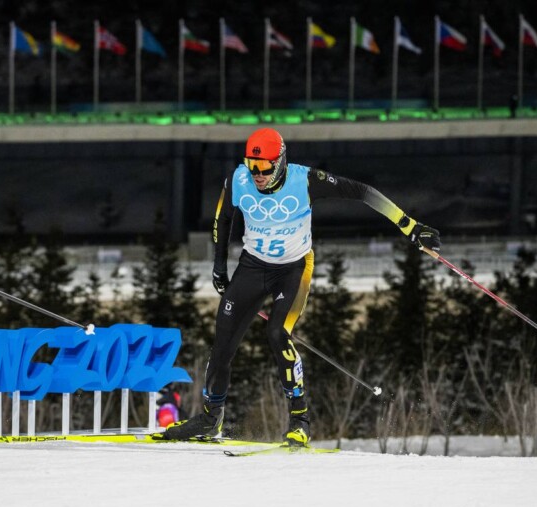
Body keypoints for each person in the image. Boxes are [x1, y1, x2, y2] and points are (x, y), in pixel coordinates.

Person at [162, 127, 441, 446]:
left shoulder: (305, 180)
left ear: (280, 162)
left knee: (278, 333)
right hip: (254, 267)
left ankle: (300, 420)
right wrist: (219, 267)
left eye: (265, 167)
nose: (258, 175)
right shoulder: (238, 180)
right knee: (222, 340)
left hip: (294, 269)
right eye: (253, 167)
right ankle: (211, 418)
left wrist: (410, 226)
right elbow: (223, 219)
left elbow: (363, 192)